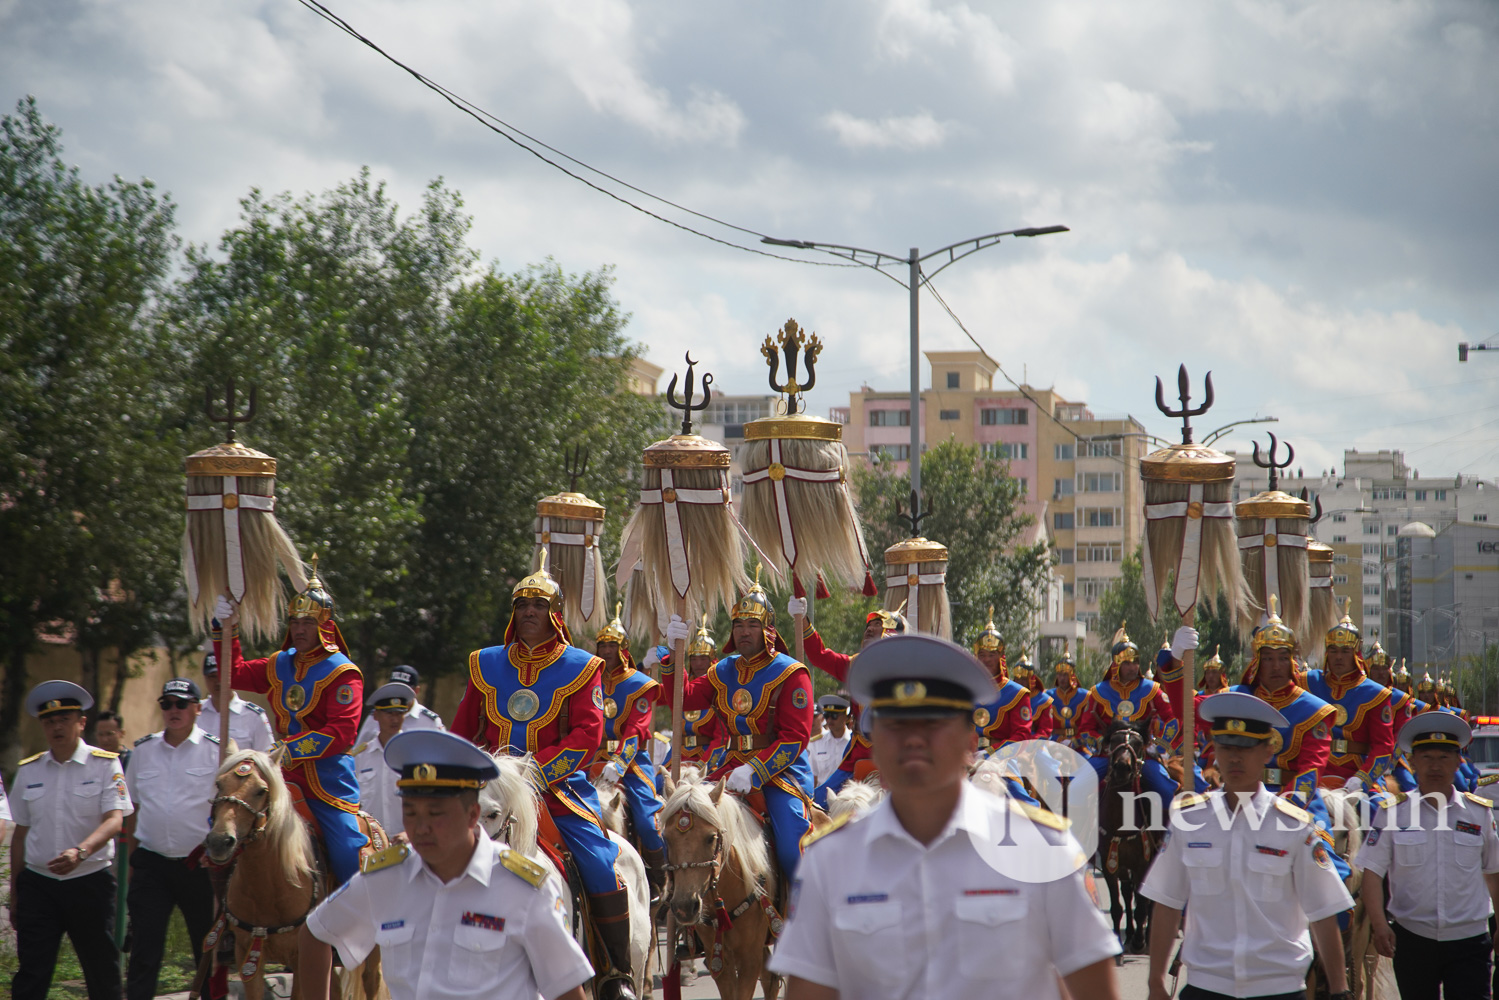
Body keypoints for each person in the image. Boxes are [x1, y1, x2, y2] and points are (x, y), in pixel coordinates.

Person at [768, 634, 1122, 999]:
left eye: (933, 723)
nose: (913, 740)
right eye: (895, 725)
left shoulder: (1043, 850)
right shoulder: (829, 864)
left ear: (971, 742)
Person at [450, 557, 638, 1000]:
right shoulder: (484, 663)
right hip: (489, 790)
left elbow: (586, 737)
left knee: (598, 865)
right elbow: (462, 732)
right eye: (521, 605)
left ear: (554, 614)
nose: (528, 611)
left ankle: (616, 974)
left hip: (556, 789)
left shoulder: (583, 666)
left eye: (537, 604)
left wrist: (530, 774)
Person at [299, 730, 593, 1000]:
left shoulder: (524, 888)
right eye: (410, 813)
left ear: (472, 814)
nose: (421, 827)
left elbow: (566, 989)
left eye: (436, 813)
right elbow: (316, 933)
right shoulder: (386, 877)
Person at [1142, 691, 1353, 1000]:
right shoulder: (1189, 821)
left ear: (1268, 751)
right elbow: (1167, 902)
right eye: (1226, 747)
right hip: (1207, 987)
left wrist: (1339, 990)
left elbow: (1322, 911)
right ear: (1214, 750)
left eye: (1246, 747)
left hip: (1279, 989)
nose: (1235, 757)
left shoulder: (1294, 825)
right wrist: (1155, 983)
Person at [214, 557, 367, 887]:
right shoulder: (278, 664)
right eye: (295, 621)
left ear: (325, 626)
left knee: (348, 853)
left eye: (308, 623)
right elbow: (233, 673)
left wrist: (288, 749)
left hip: (326, 782)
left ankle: (357, 920)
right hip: (278, 776)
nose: (299, 629)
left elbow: (341, 733)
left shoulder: (344, 673)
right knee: (227, 831)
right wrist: (226, 627)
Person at [663, 576, 815, 881]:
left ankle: (803, 912)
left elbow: (794, 738)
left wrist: (756, 771)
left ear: (768, 629)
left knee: (790, 849)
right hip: (729, 769)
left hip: (779, 774)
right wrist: (672, 656)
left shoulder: (790, 673)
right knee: (681, 826)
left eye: (752, 624)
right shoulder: (723, 669)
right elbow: (684, 698)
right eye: (738, 624)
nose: (744, 631)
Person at [1356, 710, 1499, 999]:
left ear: (1459, 761)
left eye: (1444, 757)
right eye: (1427, 758)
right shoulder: (1392, 813)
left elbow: (1493, 873)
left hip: (1469, 940)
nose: (1435, 766)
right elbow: (1371, 874)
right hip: (1413, 939)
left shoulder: (1479, 813)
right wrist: (1380, 925)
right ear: (1412, 763)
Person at [9, 680, 134, 1000]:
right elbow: (21, 834)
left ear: (81, 723)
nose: (56, 727)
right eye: (49, 722)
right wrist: (16, 891)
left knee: (102, 971)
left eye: (64, 720)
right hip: (39, 886)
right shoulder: (29, 771)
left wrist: (81, 850)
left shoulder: (105, 763)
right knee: (32, 974)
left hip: (89, 881)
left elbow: (115, 819)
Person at [124, 678, 220, 1000]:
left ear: (197, 708)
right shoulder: (143, 751)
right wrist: (133, 862)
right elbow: (132, 809)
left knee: (207, 951)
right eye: (166, 704)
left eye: (181, 704)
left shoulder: (217, 751)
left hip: (200, 865)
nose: (173, 710)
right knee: (144, 951)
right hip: (152, 865)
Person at [790, 597, 905, 807]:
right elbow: (819, 656)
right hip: (857, 756)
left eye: (877, 625)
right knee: (815, 803)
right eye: (868, 625)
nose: (869, 629)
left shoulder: (910, 673)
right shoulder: (855, 664)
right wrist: (803, 621)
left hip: (897, 758)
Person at [590, 607, 666, 897]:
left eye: (612, 645)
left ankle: (661, 882)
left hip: (631, 763)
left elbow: (636, 730)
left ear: (623, 649)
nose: (606, 651)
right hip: (593, 760)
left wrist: (619, 764)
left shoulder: (640, 684)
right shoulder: (588, 679)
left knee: (648, 823)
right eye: (602, 645)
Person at [1303, 601, 1395, 795]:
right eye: (1333, 650)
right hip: (1312, 773)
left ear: (1356, 654)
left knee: (1380, 812)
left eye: (1345, 651)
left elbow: (1384, 747)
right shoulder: (1308, 683)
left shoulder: (1376, 694)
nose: (1338, 657)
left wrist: (1362, 778)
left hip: (1356, 775)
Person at [1080, 625, 1179, 804]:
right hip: (1108, 755)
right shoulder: (1098, 692)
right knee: (1076, 787)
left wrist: (1160, 747)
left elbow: (1173, 721)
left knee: (1165, 791)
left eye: (1135, 662)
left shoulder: (1152, 690)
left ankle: (1167, 832)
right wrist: (1103, 744)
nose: (1133, 667)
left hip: (1143, 755)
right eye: (1127, 663)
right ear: (1116, 664)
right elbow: (1086, 730)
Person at [353, 682, 416, 836]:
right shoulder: (360, 756)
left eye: (399, 713)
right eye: (389, 714)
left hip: (406, 841)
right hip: (370, 842)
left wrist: (409, 833)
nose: (395, 719)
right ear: (376, 715)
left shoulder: (414, 755)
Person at [197, 647, 275, 753]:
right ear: (205, 678)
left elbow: (267, 756)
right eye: (212, 676)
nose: (218, 682)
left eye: (223, 676)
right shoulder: (194, 713)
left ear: (232, 677)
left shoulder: (253, 716)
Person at [353, 664, 444, 747]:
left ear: (416, 691)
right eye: (395, 687)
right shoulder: (377, 715)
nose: (399, 693)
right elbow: (360, 750)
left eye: (405, 689)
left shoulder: (429, 721)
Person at [1045, 643, 1087, 745]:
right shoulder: (1048, 695)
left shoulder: (1085, 696)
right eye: (1059, 675)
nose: (1062, 678)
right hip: (1054, 741)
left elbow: (1087, 725)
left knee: (1088, 760)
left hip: (1078, 741)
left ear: (1072, 676)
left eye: (1065, 675)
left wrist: (1077, 741)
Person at [808, 695, 851, 789]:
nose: (829, 720)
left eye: (834, 716)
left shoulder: (854, 742)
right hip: (823, 798)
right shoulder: (815, 744)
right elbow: (813, 778)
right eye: (827, 716)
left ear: (846, 718)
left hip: (848, 799)